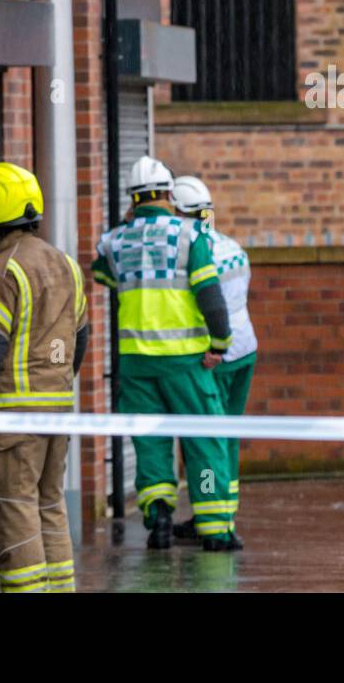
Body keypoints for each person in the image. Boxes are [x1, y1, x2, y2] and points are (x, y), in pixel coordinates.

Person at [0, 161, 88, 594]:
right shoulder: (67, 264)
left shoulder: (2, 270)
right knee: (49, 505)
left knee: (13, 512)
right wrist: (57, 386)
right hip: (57, 413)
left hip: (12, 419)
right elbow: (81, 338)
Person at [92, 157, 239, 551]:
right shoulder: (191, 236)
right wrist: (220, 344)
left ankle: (158, 516)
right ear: (169, 194)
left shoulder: (114, 241)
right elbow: (211, 296)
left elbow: (103, 274)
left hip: (136, 363)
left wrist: (128, 224)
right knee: (203, 439)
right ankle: (213, 528)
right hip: (186, 360)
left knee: (150, 440)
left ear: (133, 199)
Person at [170, 175, 257, 549]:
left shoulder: (191, 250)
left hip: (215, 357)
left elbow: (207, 305)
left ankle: (214, 521)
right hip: (245, 350)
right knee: (226, 437)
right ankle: (225, 513)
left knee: (205, 442)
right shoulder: (231, 246)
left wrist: (212, 348)